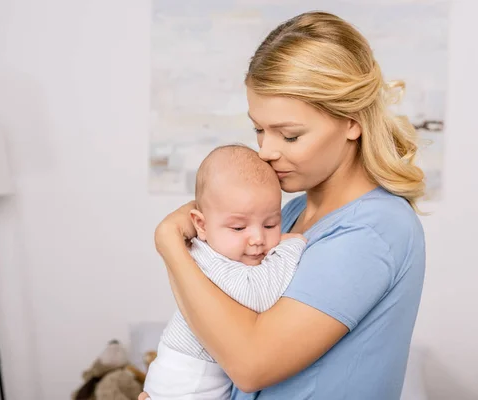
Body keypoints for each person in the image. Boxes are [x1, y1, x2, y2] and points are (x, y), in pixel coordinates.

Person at [141, 10, 426, 400]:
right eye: (259, 129)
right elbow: (229, 326)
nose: (267, 150)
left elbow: (251, 365)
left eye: (289, 136)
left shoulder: (375, 229)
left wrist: (170, 243)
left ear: (352, 122)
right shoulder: (289, 214)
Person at [143, 144, 307, 400]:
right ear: (201, 225)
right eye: (239, 228)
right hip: (186, 386)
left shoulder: (219, 250)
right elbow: (259, 295)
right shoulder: (208, 260)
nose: (257, 239)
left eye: (270, 224)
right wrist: (292, 246)